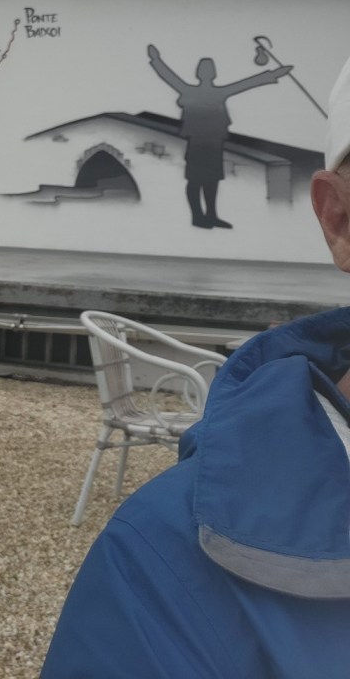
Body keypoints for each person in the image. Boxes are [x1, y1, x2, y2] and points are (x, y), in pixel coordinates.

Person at [40, 54, 350, 678]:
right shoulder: (166, 573)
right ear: (339, 219)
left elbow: (239, 83)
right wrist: (154, 60)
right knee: (199, 187)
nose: (208, 76)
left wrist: (268, 75)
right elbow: (183, 81)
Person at [147, 44, 292, 228]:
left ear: (213, 74)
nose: (207, 73)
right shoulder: (189, 91)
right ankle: (197, 217)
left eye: (209, 70)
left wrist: (274, 74)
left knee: (212, 180)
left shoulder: (217, 92)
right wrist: (156, 59)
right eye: (204, 70)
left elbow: (247, 84)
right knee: (195, 180)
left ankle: (212, 215)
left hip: (214, 141)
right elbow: (169, 77)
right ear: (199, 73)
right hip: (197, 141)